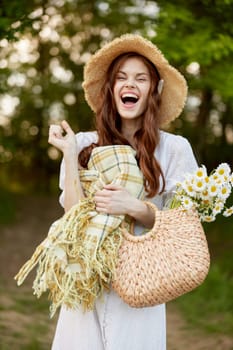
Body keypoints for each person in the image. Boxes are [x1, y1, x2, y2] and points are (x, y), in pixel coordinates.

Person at [49, 34, 198, 350]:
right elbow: (71, 217)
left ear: (152, 91)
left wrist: (135, 206)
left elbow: (183, 225)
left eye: (140, 78)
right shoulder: (81, 143)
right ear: (111, 89)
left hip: (141, 281)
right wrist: (68, 154)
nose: (130, 84)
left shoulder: (174, 149)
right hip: (86, 278)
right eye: (122, 77)